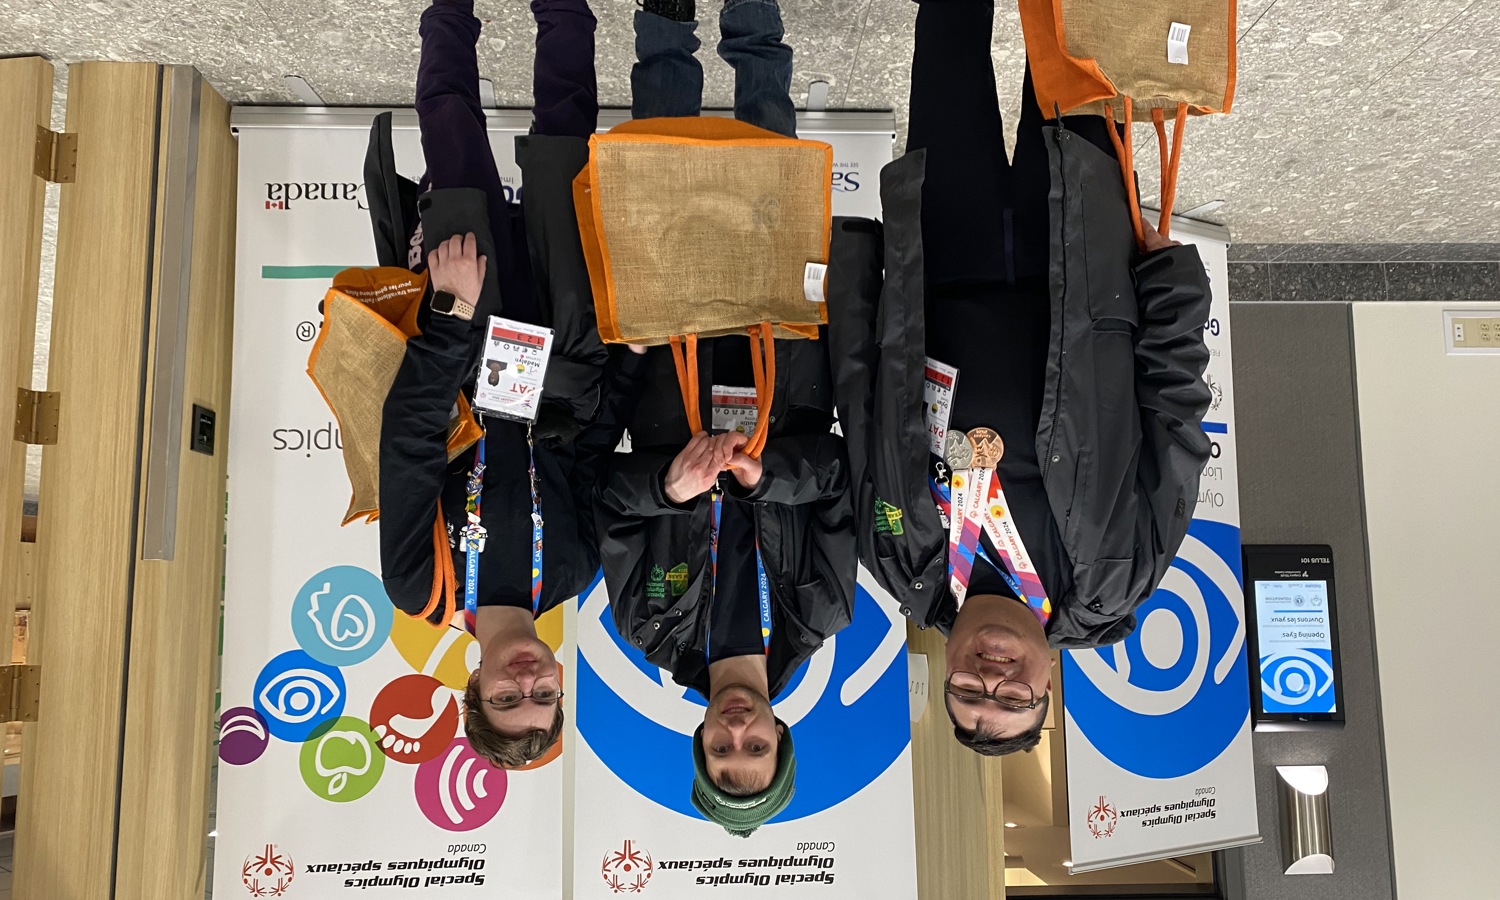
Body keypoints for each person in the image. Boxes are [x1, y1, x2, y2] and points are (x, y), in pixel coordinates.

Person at [828, 0, 1213, 757]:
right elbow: (1174, 420)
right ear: (1047, 688)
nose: (991, 679)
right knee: (1072, 40)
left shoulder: (900, 561)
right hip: (1077, 251)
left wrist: (857, 282)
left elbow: (862, 410)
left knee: (948, 35)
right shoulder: (1116, 580)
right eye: (1012, 700)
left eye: (968, 694)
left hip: (944, 254)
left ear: (945, 675)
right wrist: (1167, 283)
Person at [594, 0, 853, 837]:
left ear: (699, 741)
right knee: (769, 154)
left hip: (674, 369)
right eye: (757, 749)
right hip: (783, 357)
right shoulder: (820, 610)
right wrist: (767, 477)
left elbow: (607, 502)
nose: (737, 732)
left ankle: (664, 24)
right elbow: (839, 478)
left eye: (719, 750)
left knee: (663, 172)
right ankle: (752, 18)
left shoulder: (649, 626)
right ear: (782, 736)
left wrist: (669, 490)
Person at [370, 0, 643, 769]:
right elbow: (593, 444)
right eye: (544, 695)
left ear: (473, 688)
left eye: (506, 698)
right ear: (560, 683)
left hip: (466, 330)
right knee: (566, 142)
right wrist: (632, 352)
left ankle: (448, 12)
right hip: (562, 344)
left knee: (451, 126)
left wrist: (453, 312)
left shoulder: (422, 587)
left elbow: (410, 442)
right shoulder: (574, 571)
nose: (527, 680)